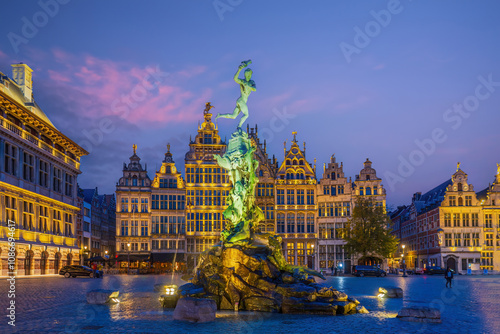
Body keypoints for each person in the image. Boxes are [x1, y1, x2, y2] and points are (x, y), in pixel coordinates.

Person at [215, 60, 256, 130]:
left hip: (241, 101)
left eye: (249, 74)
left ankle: (220, 115)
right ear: (247, 75)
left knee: (233, 116)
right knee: (246, 115)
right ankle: (239, 126)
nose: (249, 76)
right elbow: (235, 79)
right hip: (241, 101)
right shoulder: (242, 81)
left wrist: (248, 85)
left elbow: (254, 89)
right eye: (248, 74)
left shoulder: (251, 82)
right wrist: (239, 70)